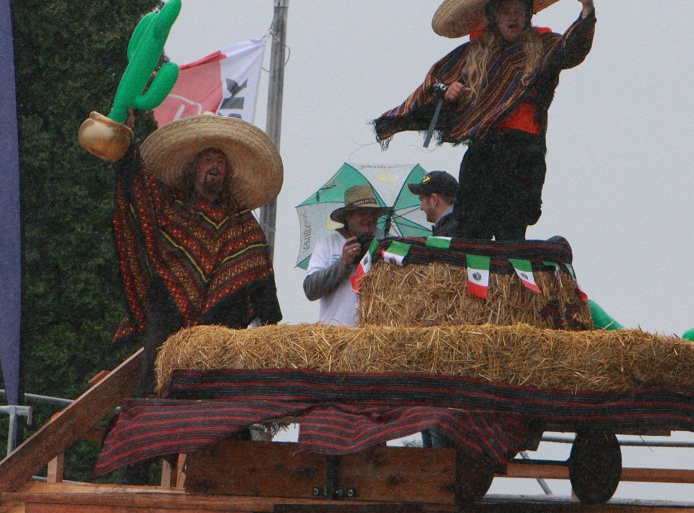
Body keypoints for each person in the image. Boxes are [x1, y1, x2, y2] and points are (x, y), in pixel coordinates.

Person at [374, 0, 595, 241]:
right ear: (493, 16)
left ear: (529, 13)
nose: (514, 17)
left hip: (524, 151)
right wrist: (446, 92)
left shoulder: (544, 45)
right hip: (485, 150)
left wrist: (586, 12)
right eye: (506, 11)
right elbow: (436, 82)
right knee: (470, 228)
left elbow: (571, 51)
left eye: (519, 11)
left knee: (511, 231)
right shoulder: (474, 54)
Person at [112, 114, 283, 397]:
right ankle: (150, 423)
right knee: (155, 370)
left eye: (220, 161)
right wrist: (127, 144)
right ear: (193, 168)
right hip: (169, 318)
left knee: (220, 386)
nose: (214, 166)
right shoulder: (173, 209)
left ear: (228, 172)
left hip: (222, 327)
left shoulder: (243, 222)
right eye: (208, 159)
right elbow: (141, 189)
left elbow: (258, 269)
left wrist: (266, 317)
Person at [303, 185, 392, 325]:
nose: (369, 218)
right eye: (362, 212)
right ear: (348, 216)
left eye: (373, 213)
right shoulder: (328, 244)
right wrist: (343, 262)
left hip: (375, 336)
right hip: (335, 334)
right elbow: (310, 290)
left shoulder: (388, 242)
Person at [408, 170, 459, 236]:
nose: (421, 208)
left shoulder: (447, 234)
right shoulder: (461, 225)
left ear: (434, 199)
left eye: (421, 199)